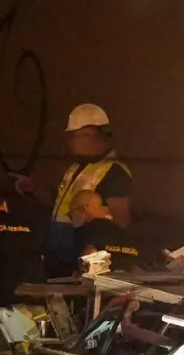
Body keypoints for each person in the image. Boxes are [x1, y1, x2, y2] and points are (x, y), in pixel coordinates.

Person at [18, 103, 132, 277]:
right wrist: (33, 189)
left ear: (89, 134)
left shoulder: (114, 172)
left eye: (73, 137)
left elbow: (120, 224)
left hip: (79, 262)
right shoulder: (75, 169)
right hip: (58, 257)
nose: (69, 143)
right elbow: (60, 204)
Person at [68, 189, 141, 272]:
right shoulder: (124, 234)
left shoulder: (84, 232)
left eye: (70, 215)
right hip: (129, 282)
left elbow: (85, 262)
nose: (70, 221)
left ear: (84, 209)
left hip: (100, 282)